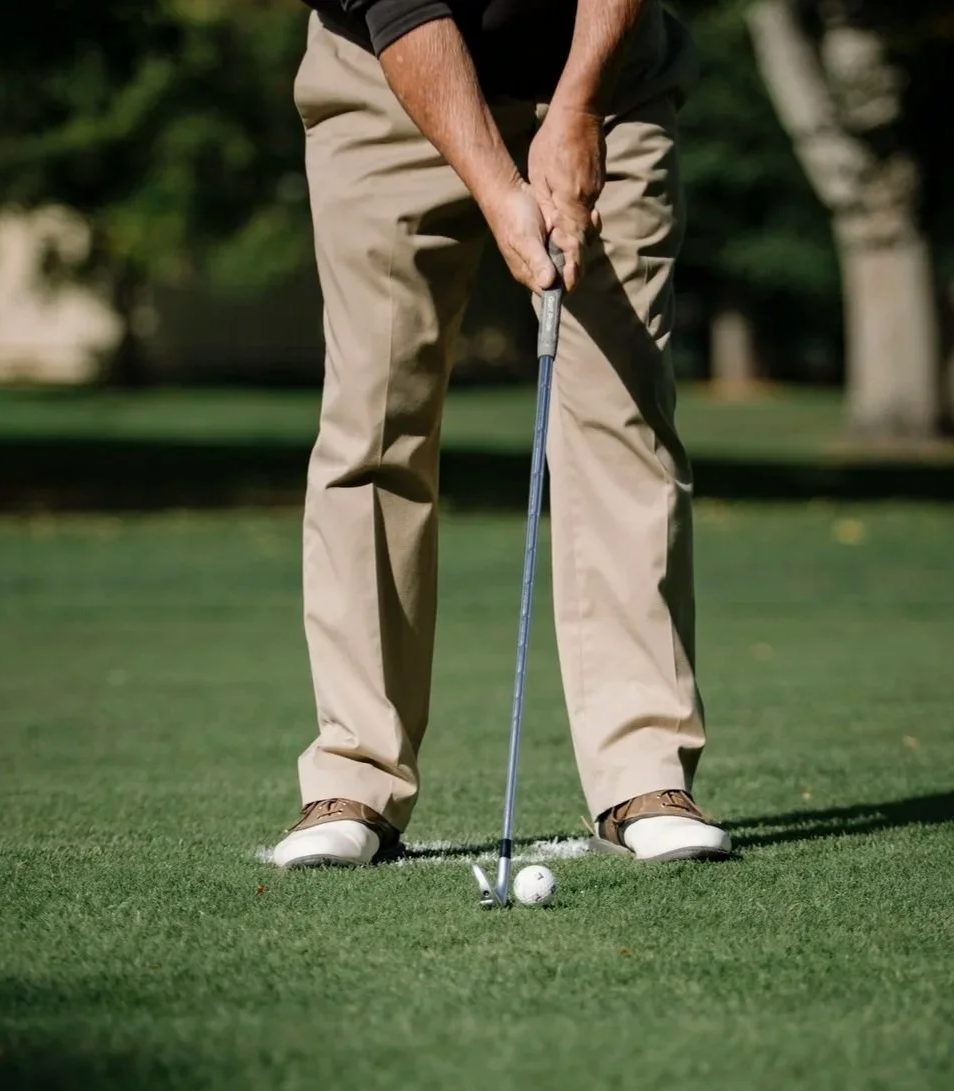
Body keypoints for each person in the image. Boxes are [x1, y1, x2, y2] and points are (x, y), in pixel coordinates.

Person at [272, 0, 731, 868]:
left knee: (623, 411)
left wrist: (580, 106)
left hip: (610, 73)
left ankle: (643, 771)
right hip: (387, 70)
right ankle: (355, 777)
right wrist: (496, 183)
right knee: (375, 414)